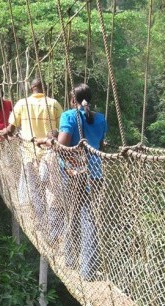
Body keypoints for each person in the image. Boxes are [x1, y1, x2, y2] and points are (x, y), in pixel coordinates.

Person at [0, 78, 63, 238]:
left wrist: (4, 132)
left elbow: (11, 128)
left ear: (31, 88)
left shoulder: (22, 104)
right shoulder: (54, 104)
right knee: (51, 191)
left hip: (29, 154)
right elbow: (60, 131)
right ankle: (54, 230)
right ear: (44, 88)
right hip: (50, 155)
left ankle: (42, 226)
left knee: (35, 191)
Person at [57, 83, 107, 281]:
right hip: (95, 173)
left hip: (74, 174)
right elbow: (100, 145)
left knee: (72, 215)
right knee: (89, 217)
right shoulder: (101, 118)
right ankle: (89, 269)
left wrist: (52, 142)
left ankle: (70, 259)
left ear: (72, 100)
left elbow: (61, 147)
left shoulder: (69, 116)